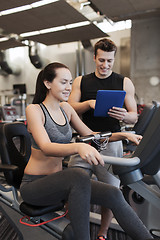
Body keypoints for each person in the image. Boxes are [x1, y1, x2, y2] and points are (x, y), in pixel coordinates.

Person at [19, 62, 152, 240]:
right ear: (47, 83)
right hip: (35, 186)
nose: (68, 88)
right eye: (63, 82)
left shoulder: (66, 109)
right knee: (78, 174)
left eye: (70, 82)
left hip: (59, 183)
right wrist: (78, 146)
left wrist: (122, 135)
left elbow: (90, 135)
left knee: (113, 192)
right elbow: (46, 147)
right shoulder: (34, 110)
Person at [68, 38, 138, 239]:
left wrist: (125, 115)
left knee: (110, 191)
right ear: (94, 58)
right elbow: (70, 107)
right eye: (101, 60)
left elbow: (134, 115)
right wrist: (89, 103)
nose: (105, 65)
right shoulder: (81, 81)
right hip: (84, 143)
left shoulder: (124, 82)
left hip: (112, 143)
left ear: (113, 59)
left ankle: (103, 232)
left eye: (109, 61)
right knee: (71, 185)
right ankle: (72, 226)